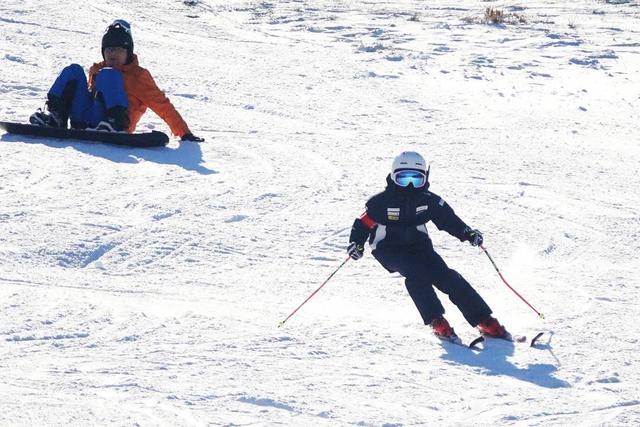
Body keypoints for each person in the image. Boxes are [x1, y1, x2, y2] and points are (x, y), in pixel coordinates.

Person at [347, 151, 507, 339]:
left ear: (425, 178)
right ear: (393, 177)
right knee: (416, 274)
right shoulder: (380, 203)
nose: (409, 185)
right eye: (403, 178)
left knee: (448, 277)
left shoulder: (429, 200)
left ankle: (484, 319)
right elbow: (362, 224)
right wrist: (356, 244)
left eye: (416, 179)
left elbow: (448, 220)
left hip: (419, 246)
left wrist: (467, 233)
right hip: (388, 249)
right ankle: (436, 320)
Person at [29, 19, 202, 141]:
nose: (113, 53)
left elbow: (162, 105)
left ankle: (114, 123)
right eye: (109, 49)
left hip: (116, 127)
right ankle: (56, 117)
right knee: (73, 70)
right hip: (85, 120)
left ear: (128, 52)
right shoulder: (97, 69)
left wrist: (184, 133)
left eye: (119, 49)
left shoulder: (139, 76)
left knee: (109, 74)